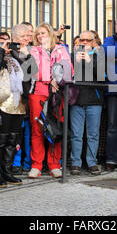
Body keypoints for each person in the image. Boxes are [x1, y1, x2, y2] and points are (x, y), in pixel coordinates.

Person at [0, 24, 33, 186]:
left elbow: (30, 74)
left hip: (19, 102)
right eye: (1, 44)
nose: (5, 46)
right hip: (3, 103)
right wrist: (1, 51)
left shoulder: (19, 55)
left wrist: (26, 56)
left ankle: (7, 171)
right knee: (1, 140)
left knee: (13, 140)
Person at [28, 23, 72, 178]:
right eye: (38, 34)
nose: (40, 36)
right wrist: (49, 77)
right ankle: (36, 165)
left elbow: (68, 69)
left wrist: (57, 79)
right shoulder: (33, 50)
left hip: (56, 93)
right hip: (38, 91)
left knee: (56, 128)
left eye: (44, 33)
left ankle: (54, 164)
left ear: (51, 35)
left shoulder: (61, 49)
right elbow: (34, 71)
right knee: (37, 128)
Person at [69, 31, 105, 176]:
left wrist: (90, 61)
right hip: (77, 100)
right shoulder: (72, 57)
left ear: (93, 41)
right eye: (82, 40)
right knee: (76, 134)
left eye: (87, 40)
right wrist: (75, 63)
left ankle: (92, 162)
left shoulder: (99, 56)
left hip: (94, 101)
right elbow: (66, 76)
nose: (84, 43)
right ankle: (76, 163)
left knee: (93, 134)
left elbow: (102, 77)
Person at [102, 16, 117, 171]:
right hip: (114, 88)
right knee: (112, 126)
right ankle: (111, 160)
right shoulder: (109, 40)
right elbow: (107, 53)